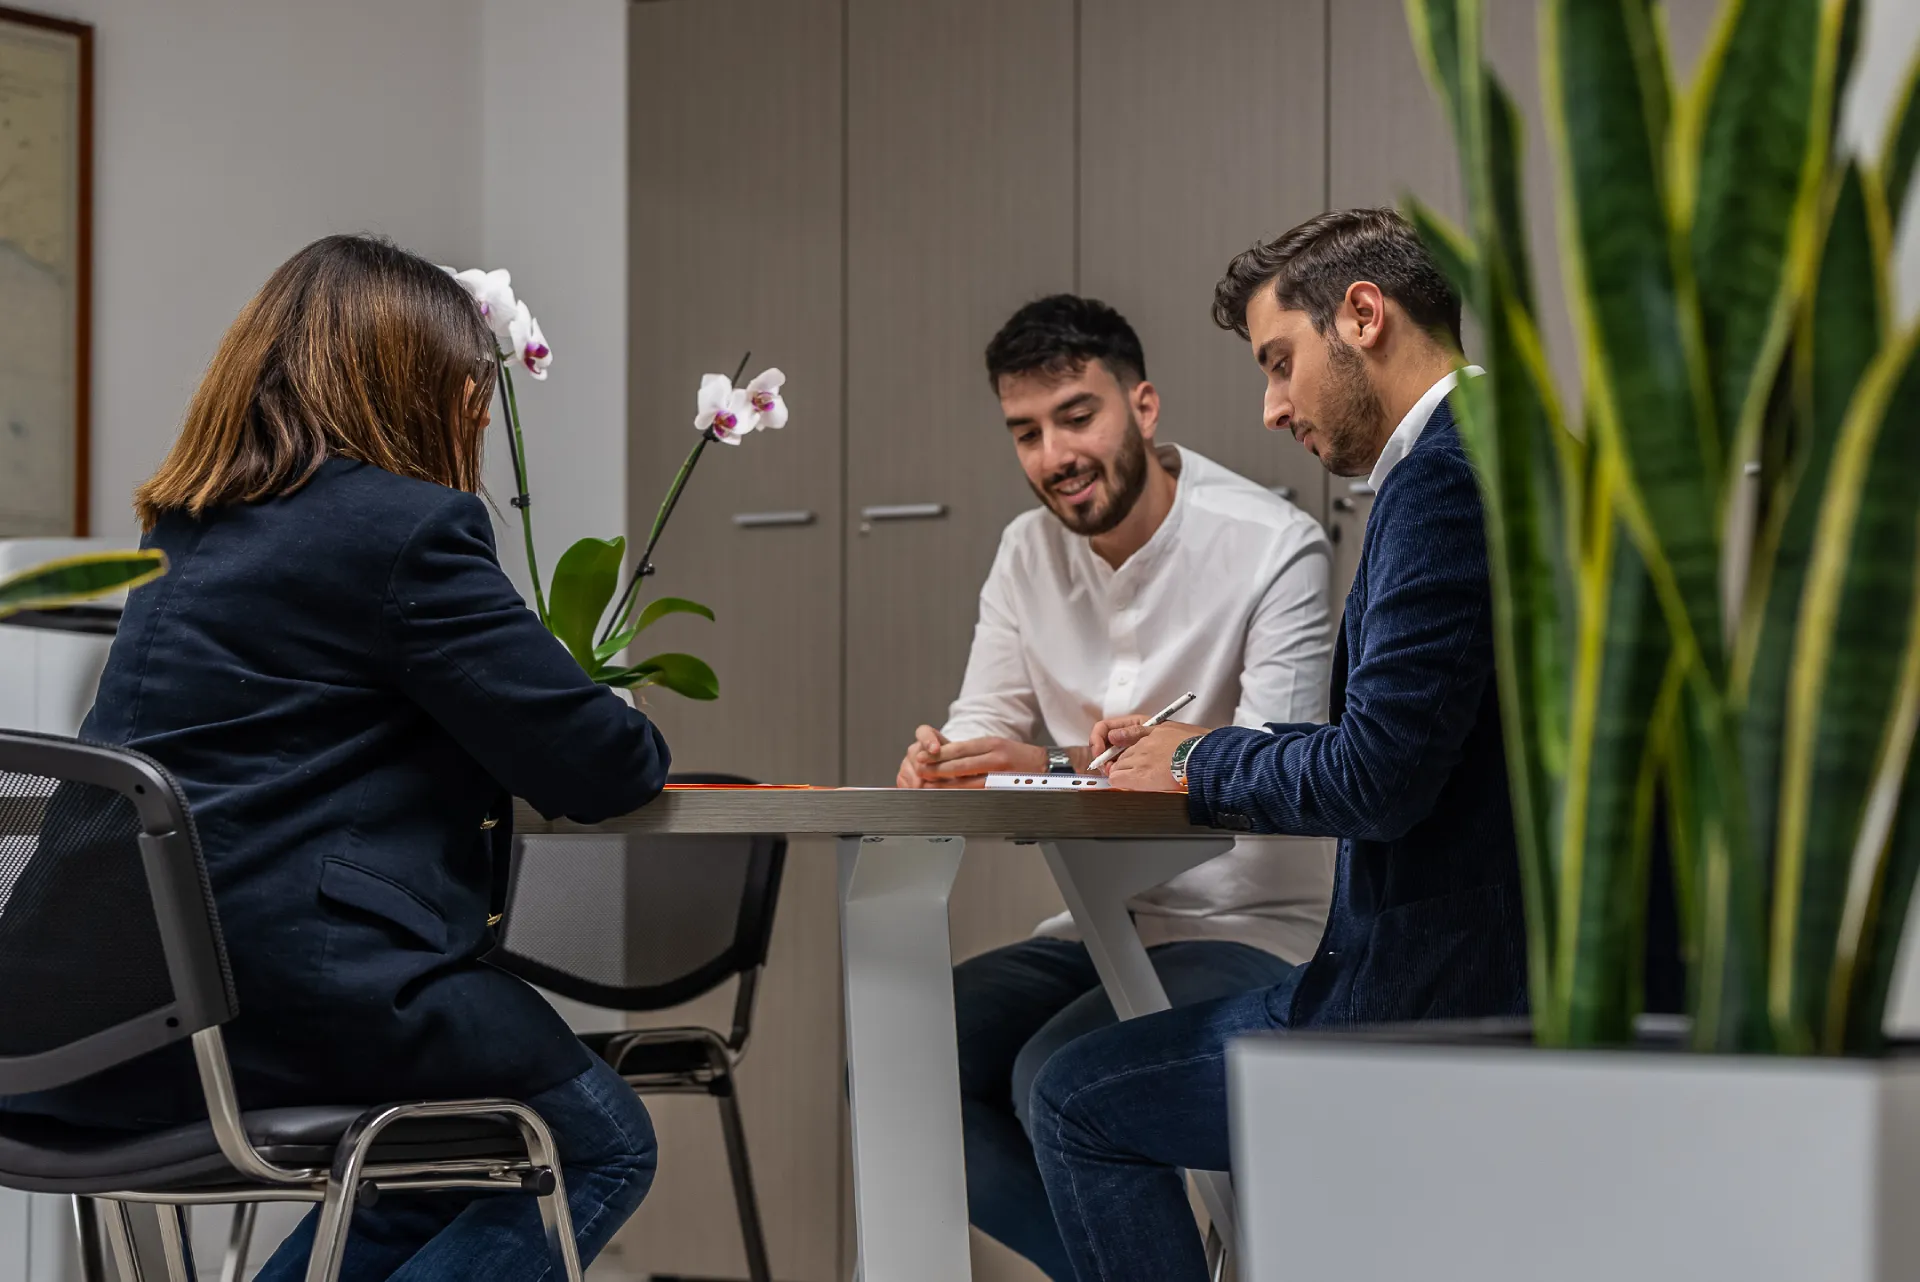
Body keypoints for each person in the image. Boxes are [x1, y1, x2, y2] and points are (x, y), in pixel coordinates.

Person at [0, 236, 669, 1281]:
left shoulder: (189, 530)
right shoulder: (410, 531)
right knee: (599, 1141)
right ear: (420, 387)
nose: (481, 413)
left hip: (78, 1016)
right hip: (279, 991)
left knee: (442, 1159)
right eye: (471, 387)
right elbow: (605, 767)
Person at [1029, 208, 1524, 1282]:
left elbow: (1376, 781)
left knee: (1073, 1098)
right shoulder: (1509, 449)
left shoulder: (1440, 478)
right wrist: (1201, 740)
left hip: (1423, 1006)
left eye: (1279, 362)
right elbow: (1413, 735)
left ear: (1363, 314)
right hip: (1483, 975)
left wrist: (1201, 762)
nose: (1270, 406)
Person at [894, 294, 1335, 1279]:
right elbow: (988, 726)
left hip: (1252, 928)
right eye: (1025, 431)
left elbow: (1284, 766)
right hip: (1101, 929)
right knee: (898, 1055)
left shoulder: (1275, 547)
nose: (1054, 455)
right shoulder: (1023, 553)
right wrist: (950, 757)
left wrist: (1162, 753)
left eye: (1075, 415)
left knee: (1051, 1072)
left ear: (1142, 406)